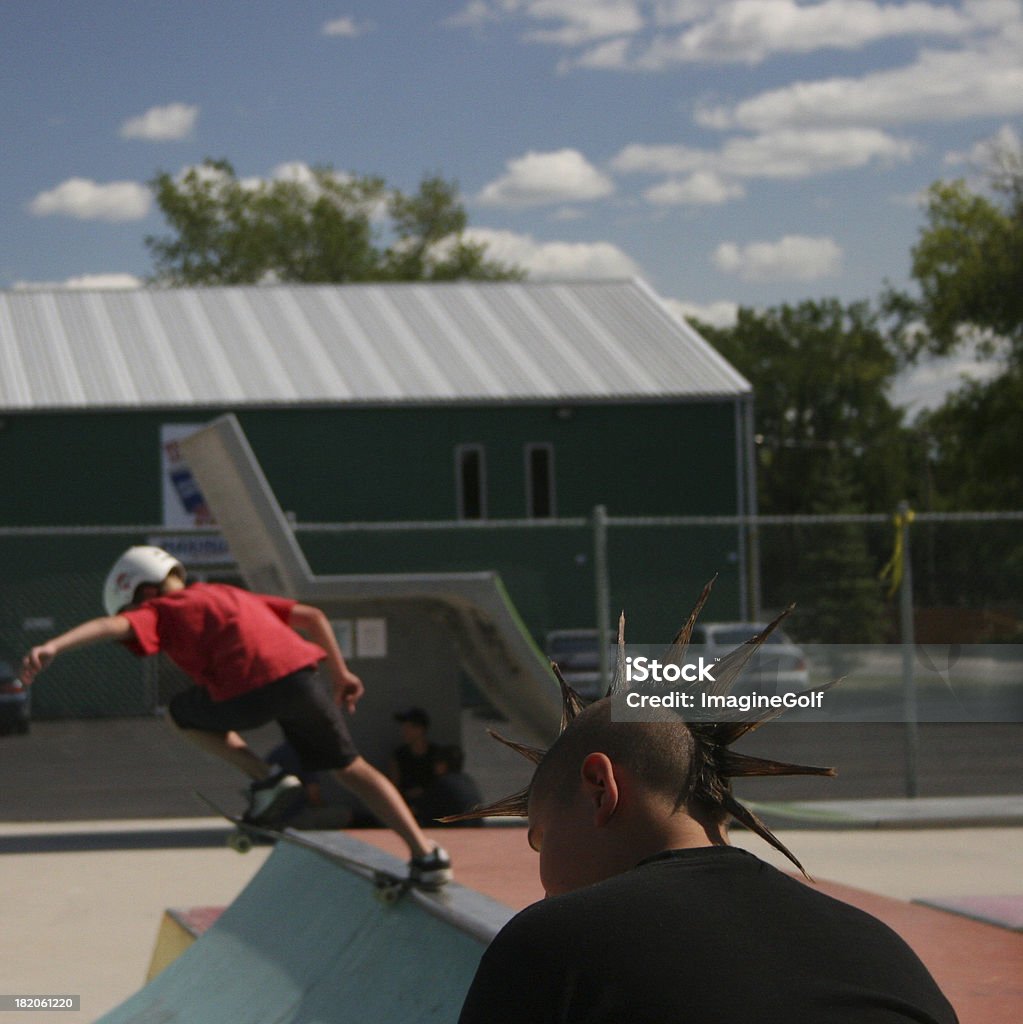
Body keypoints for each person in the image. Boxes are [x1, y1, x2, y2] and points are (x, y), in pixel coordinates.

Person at [454, 596, 959, 1023]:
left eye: (540, 838)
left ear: (599, 789)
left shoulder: (552, 948)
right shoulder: (882, 952)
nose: (543, 886)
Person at [19, 545, 451, 887]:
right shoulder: (231, 592)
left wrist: (55, 645)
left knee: (180, 714)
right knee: (350, 767)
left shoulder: (159, 610)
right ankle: (426, 854)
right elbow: (312, 616)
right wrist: (341, 673)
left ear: (143, 593)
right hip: (302, 680)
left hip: (247, 688)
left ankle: (267, 777)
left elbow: (111, 627)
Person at [388, 706, 442, 814]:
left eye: (409, 727)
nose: (404, 731)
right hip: (406, 806)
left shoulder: (436, 754)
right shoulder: (399, 755)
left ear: (420, 729)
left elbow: (442, 783)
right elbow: (394, 786)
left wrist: (425, 792)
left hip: (432, 806)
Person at [415, 744, 484, 827]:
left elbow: (422, 809)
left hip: (455, 830)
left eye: (438, 762)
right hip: (476, 828)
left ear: (444, 764)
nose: (434, 766)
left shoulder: (443, 783)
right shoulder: (467, 780)